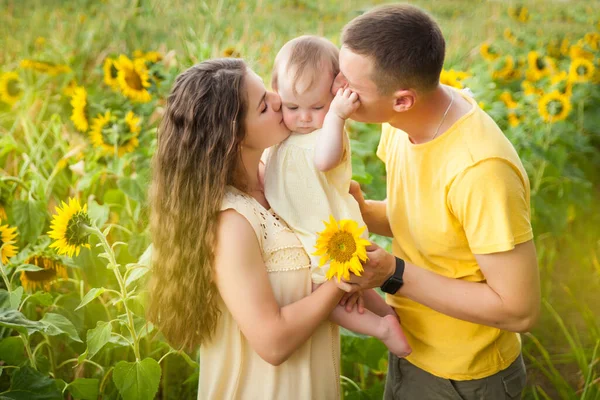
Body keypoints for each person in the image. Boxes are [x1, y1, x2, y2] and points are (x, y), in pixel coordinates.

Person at [332, 4, 541, 399]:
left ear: (403, 100)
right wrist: (363, 213)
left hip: (465, 376)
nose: (337, 88)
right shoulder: (400, 126)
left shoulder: (481, 170)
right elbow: (428, 223)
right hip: (410, 346)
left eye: (352, 86)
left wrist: (393, 274)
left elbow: (520, 310)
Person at [147, 58, 347, 399]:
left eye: (267, 89)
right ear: (234, 135)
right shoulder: (231, 221)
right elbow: (272, 342)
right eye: (263, 105)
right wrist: (344, 278)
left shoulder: (278, 175)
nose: (278, 99)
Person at [264, 35, 411, 358]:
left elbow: (324, 161)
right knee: (354, 286)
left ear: (337, 93)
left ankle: (381, 328)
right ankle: (390, 316)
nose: (304, 117)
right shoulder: (286, 135)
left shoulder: (329, 133)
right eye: (292, 107)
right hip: (307, 231)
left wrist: (337, 116)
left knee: (320, 292)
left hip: (329, 235)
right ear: (277, 93)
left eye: (317, 107)